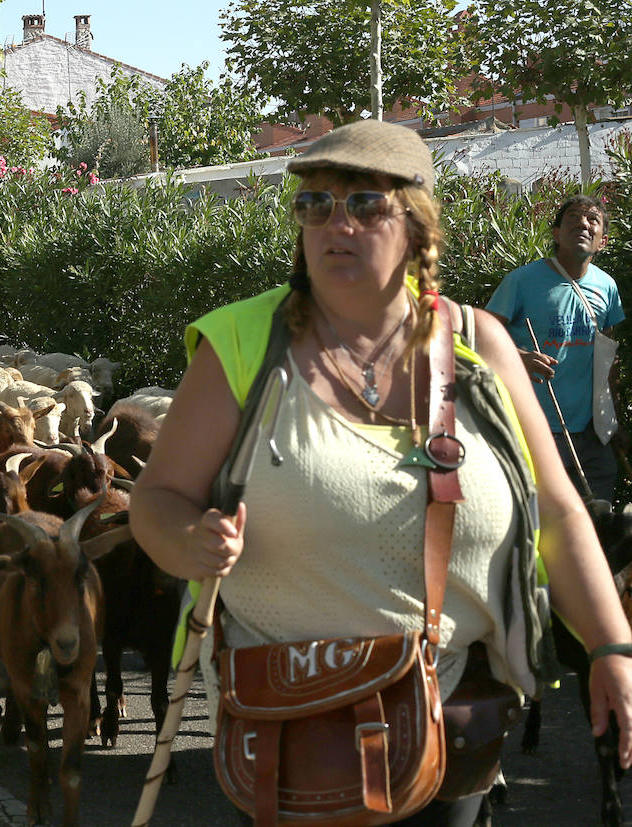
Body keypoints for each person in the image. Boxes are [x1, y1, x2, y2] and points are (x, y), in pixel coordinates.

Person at [130, 120, 632, 825]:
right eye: (315, 205)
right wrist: (188, 538)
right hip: (288, 722)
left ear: (418, 224)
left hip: (451, 723)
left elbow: (558, 510)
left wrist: (612, 645)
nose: (335, 222)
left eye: (363, 203)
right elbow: (155, 499)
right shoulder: (242, 342)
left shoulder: (479, 344)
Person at [486, 196, 623, 501]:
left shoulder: (607, 287)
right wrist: (520, 358)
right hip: (535, 427)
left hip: (592, 431)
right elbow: (480, 337)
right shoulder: (521, 282)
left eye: (593, 220)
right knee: (542, 520)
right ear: (556, 234)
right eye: (573, 217)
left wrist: (613, 423)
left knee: (595, 520)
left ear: (603, 241)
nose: (583, 224)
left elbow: (608, 359)